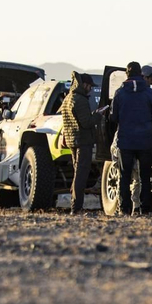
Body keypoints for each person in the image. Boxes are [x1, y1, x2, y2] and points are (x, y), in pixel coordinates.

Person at [111, 62, 152, 216]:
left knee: (125, 176)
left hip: (125, 140)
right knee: (145, 176)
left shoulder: (119, 92)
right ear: (140, 74)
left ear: (126, 74)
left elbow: (113, 117)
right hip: (145, 140)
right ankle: (145, 208)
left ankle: (124, 208)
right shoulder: (148, 92)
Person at [59, 71, 98, 215]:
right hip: (83, 141)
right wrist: (98, 115)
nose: (91, 89)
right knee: (81, 174)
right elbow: (87, 123)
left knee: (77, 173)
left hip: (72, 141)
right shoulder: (80, 100)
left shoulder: (68, 98)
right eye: (90, 86)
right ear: (85, 85)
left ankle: (74, 205)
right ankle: (76, 208)